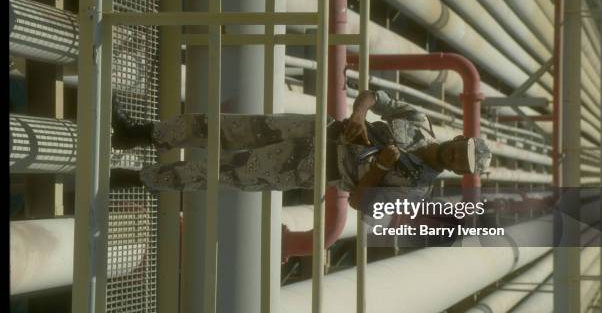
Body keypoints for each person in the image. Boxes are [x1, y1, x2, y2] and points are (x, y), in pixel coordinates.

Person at [110, 89, 491, 212]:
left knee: (223, 172)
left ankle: (133, 179)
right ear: (459, 139)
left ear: (459, 172)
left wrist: (380, 169)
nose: (457, 157)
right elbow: (376, 95)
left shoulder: (417, 190)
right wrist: (359, 113)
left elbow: (360, 203)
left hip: (312, 166)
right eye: (463, 150)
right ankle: (139, 134)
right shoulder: (419, 120)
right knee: (224, 127)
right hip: (315, 128)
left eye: (463, 164)